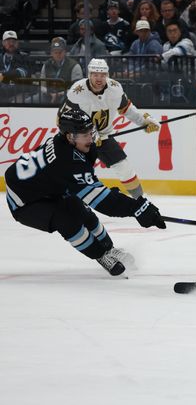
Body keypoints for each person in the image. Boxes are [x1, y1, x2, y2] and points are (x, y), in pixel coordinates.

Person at [4, 108, 166, 277]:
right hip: (25, 202)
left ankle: (109, 249)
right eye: (85, 135)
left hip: (48, 189)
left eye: (91, 132)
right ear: (70, 137)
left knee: (82, 211)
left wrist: (109, 196)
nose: (91, 138)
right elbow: (103, 202)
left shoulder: (67, 143)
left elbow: (86, 184)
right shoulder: (67, 160)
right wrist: (137, 208)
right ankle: (100, 255)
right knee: (66, 220)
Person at [60, 59, 160, 199]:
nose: (99, 78)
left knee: (124, 168)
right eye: (95, 74)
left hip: (104, 136)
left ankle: (140, 200)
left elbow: (127, 109)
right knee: (73, 171)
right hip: (78, 140)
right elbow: (62, 119)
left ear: (107, 75)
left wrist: (144, 121)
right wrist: (87, 134)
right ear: (89, 75)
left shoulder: (115, 89)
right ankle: (65, 200)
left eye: (102, 75)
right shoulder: (77, 91)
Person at [39, 36, 82, 104]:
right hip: (49, 94)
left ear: (65, 52)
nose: (58, 54)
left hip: (67, 95)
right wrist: (49, 93)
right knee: (29, 101)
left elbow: (78, 88)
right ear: (51, 53)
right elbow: (42, 85)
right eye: (55, 52)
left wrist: (60, 94)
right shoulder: (46, 65)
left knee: (64, 102)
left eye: (60, 52)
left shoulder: (74, 66)